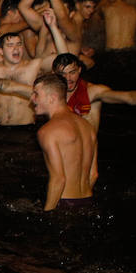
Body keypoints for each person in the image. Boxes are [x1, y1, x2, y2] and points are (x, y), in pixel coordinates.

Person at [0, 12, 68, 127]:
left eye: (19, 44)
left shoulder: (33, 66)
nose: (16, 49)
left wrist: (53, 27)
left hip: (25, 126)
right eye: (10, 45)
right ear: (1, 51)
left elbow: (65, 58)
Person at [31, 72, 97, 211]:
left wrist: (47, 214)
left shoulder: (47, 132)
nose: (32, 99)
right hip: (88, 202)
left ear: (52, 98)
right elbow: (93, 175)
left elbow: (59, 179)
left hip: (64, 204)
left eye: (36, 94)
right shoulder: (88, 127)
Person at [52, 52, 136, 129]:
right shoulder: (51, 92)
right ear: (54, 74)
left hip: (85, 150)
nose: (68, 78)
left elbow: (130, 97)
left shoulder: (92, 91)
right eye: (63, 74)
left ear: (79, 70)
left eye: (72, 72)